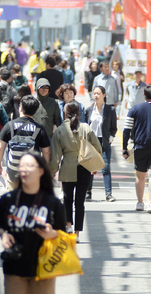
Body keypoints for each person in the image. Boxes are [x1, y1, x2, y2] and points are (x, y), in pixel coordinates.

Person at [0, 153, 66, 294]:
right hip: (14, 267)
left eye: (30, 166)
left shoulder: (53, 203)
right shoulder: (8, 200)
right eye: (22, 166)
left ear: (41, 171)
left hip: (44, 268)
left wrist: (52, 234)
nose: (25, 169)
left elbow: (62, 233)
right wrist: (3, 235)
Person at [50, 102, 101, 243]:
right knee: (80, 202)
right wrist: (94, 164)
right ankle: (77, 233)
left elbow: (55, 155)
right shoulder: (86, 127)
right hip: (84, 167)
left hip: (67, 167)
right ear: (79, 113)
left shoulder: (60, 130)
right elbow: (97, 147)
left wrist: (52, 171)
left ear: (64, 114)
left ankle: (68, 227)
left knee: (67, 200)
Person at [122, 84, 151, 212]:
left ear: (144, 95)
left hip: (139, 146)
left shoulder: (134, 109)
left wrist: (124, 147)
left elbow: (126, 129)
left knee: (140, 176)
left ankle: (140, 202)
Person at [0, 95, 51, 193]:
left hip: (13, 170)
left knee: (13, 200)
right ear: (35, 111)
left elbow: (0, 148)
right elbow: (46, 152)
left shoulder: (10, 125)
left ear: (20, 108)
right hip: (32, 171)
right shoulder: (39, 128)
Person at [85, 86, 117, 202]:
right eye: (94, 94)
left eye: (98, 93)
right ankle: (88, 192)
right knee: (90, 167)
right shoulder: (89, 110)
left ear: (104, 95)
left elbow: (114, 127)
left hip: (104, 142)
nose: (96, 96)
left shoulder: (110, 110)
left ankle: (108, 194)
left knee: (106, 167)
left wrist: (110, 138)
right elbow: (85, 125)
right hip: (91, 142)